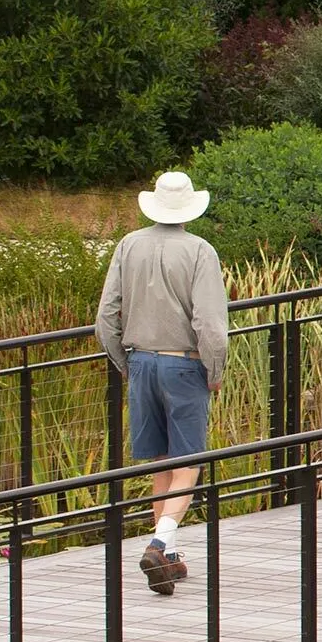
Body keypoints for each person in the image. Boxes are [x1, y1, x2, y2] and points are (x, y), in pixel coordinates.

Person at [94, 171, 230, 597]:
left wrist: (123, 362)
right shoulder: (200, 252)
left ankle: (168, 556)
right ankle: (158, 543)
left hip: (139, 364)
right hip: (183, 365)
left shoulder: (128, 245)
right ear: (191, 207)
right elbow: (211, 326)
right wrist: (216, 370)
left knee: (160, 463)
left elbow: (105, 320)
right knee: (188, 463)